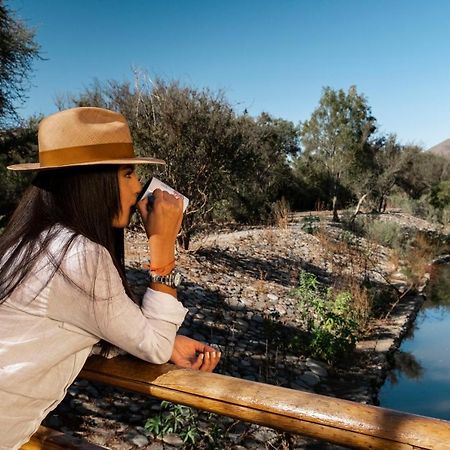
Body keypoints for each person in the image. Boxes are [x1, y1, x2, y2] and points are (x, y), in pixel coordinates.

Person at [0, 107, 220, 449]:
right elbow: (154, 345)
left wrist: (159, 341)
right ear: (94, 183)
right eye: (128, 174)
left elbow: (71, 322)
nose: (136, 189)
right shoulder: (80, 255)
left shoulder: (30, 242)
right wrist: (163, 249)